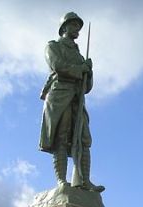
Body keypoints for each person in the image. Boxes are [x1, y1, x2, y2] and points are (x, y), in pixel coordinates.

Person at [39, 12, 104, 193]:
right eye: (74, 25)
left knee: (83, 139)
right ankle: (62, 181)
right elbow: (57, 66)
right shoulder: (53, 46)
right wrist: (80, 69)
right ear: (64, 27)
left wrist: (88, 72)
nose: (77, 30)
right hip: (59, 95)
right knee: (62, 136)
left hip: (77, 97)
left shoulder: (79, 55)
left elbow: (86, 87)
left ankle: (84, 181)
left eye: (78, 27)